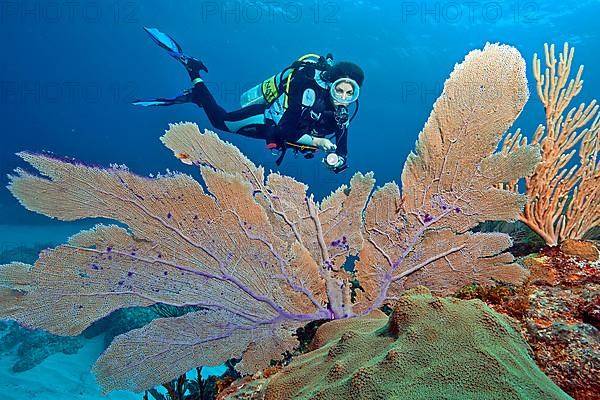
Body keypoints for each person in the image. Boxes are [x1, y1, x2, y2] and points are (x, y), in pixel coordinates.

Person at [133, 28, 364, 173]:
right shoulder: (308, 91)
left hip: (280, 137)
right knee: (220, 122)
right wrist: (319, 143)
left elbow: (343, 151)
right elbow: (287, 130)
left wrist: (337, 162)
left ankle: (196, 93)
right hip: (269, 120)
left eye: (349, 93)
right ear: (331, 85)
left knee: (223, 123)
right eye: (339, 90)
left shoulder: (342, 115)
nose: (342, 97)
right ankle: (194, 76)